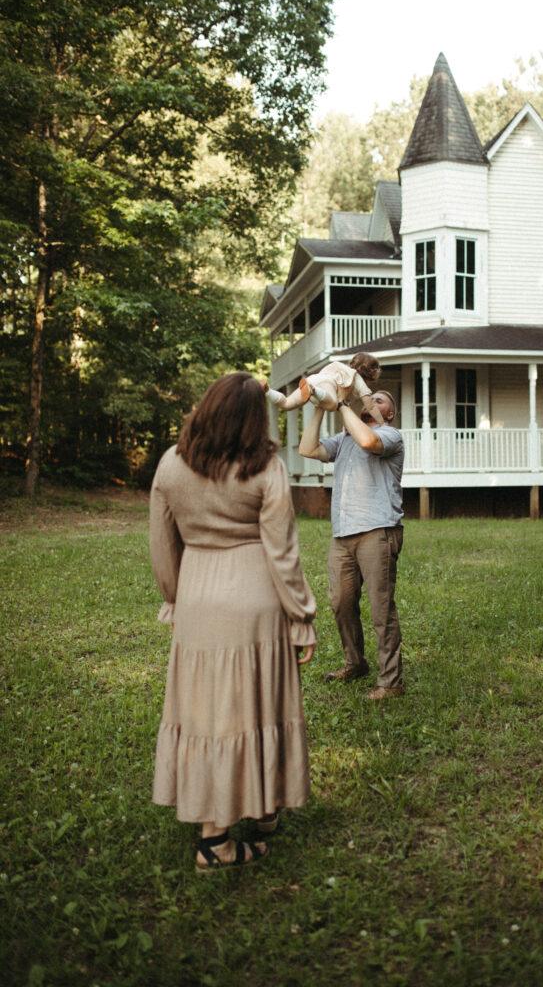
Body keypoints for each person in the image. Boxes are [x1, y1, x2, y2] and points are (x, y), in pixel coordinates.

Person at [149, 372, 317, 872]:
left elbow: (162, 545)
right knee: (261, 702)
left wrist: (175, 598)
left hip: (199, 598)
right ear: (254, 418)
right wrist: (301, 616)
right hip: (256, 599)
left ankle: (219, 835)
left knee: (209, 714)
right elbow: (282, 552)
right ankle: (255, 818)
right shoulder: (265, 468)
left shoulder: (172, 464)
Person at [298, 389, 405, 700]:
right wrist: (320, 407)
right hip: (343, 533)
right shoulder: (344, 439)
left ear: (389, 414)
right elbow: (308, 449)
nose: (371, 402)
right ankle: (355, 662)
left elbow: (369, 442)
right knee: (341, 603)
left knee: (381, 609)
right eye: (369, 398)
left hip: (377, 530)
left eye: (380, 400)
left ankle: (391, 681)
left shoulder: (390, 435)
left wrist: (343, 403)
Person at [261, 353, 386, 426]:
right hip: (325, 384)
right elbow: (371, 407)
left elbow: (346, 411)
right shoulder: (357, 379)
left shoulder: (344, 373)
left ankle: (267, 391)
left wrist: (348, 429)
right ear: (370, 375)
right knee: (332, 406)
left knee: (287, 404)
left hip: (314, 379)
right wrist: (382, 424)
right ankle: (313, 390)